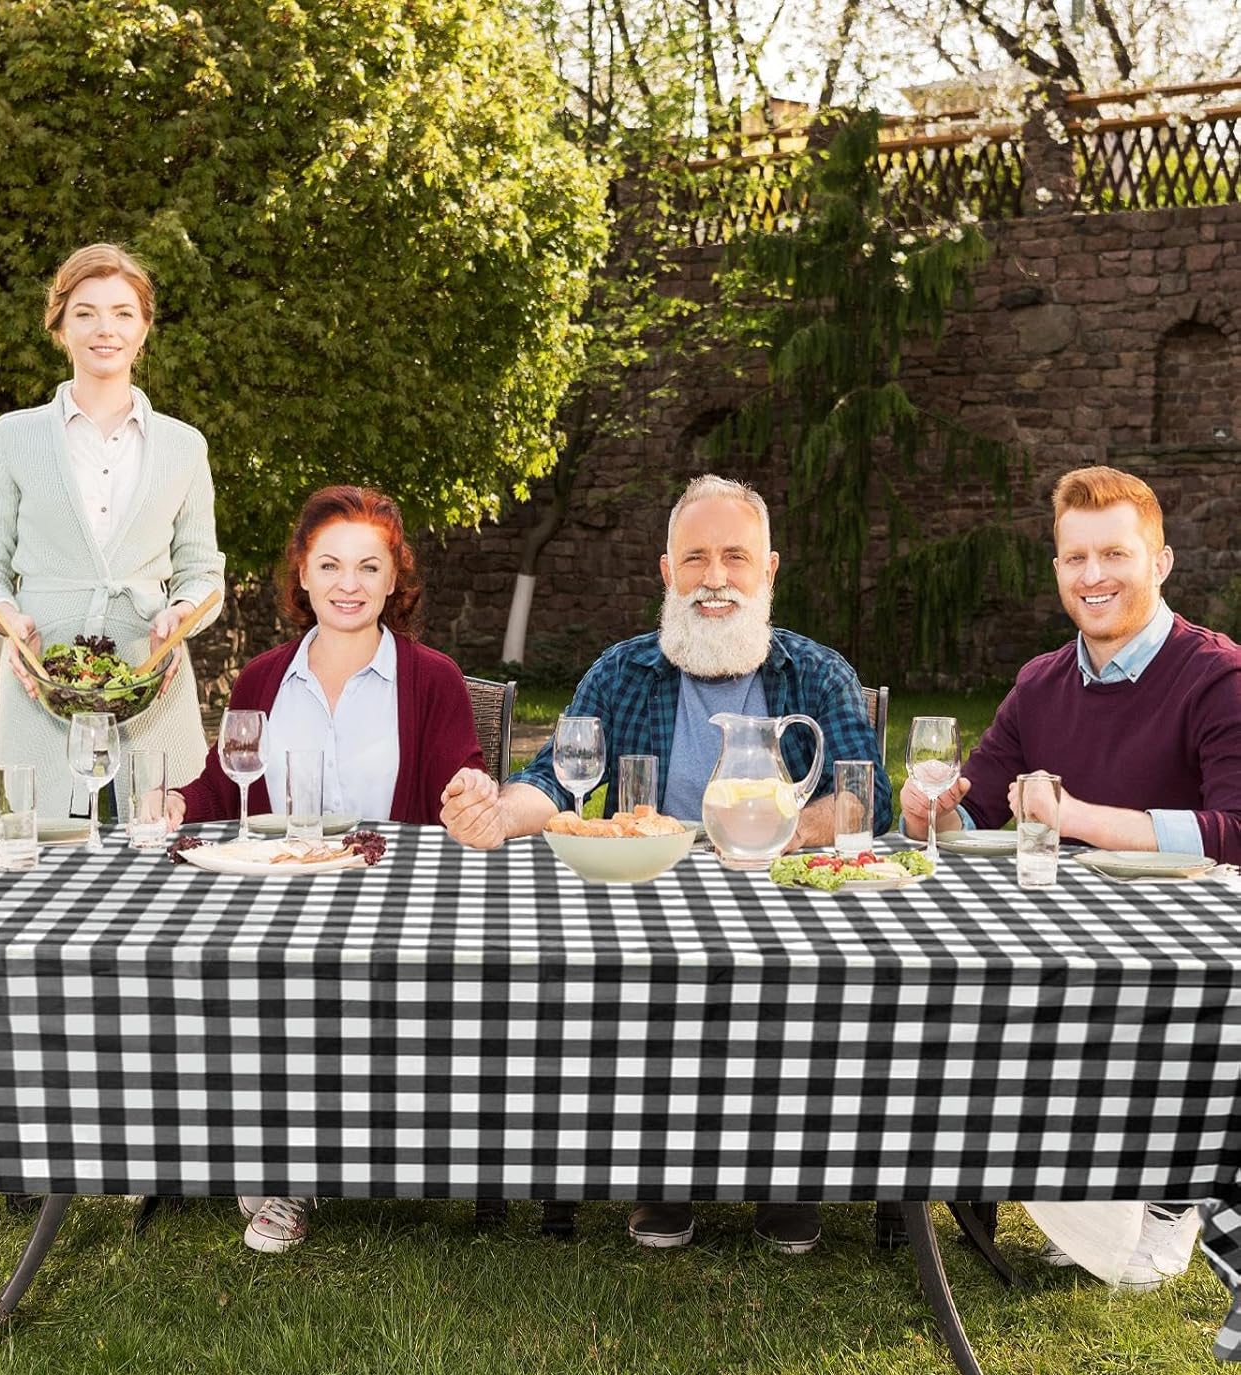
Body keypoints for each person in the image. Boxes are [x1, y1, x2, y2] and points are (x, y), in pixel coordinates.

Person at [441, 474, 891, 1254]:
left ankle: (785, 1177)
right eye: (695, 559)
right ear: (666, 572)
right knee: (627, 974)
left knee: (798, 986)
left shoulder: (815, 672)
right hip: (653, 903)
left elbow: (866, 797)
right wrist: (497, 813)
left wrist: (784, 830)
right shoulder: (623, 671)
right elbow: (555, 776)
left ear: (768, 571)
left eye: (735, 558)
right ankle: (663, 1172)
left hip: (780, 903)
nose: (715, 579)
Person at [902, 463, 1241, 1290]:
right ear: (1056, 568)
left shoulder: (1219, 675)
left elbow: (1236, 833)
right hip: (1070, 934)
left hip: (1188, 941)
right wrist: (929, 813)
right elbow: (975, 813)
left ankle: (1167, 1199)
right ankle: (1032, 1173)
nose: (1094, 576)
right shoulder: (1040, 682)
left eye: (1115, 554)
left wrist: (1078, 817)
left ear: (1160, 562)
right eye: (1076, 557)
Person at [167, 483, 486, 1251]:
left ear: (394, 578)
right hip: (280, 894)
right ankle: (278, 1158)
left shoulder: (432, 678)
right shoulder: (261, 678)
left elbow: (461, 774)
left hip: (392, 903)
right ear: (303, 574)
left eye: (369, 567)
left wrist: (471, 790)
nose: (350, 584)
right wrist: (177, 800)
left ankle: (295, 1170)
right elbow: (224, 784)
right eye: (331, 565)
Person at [0, 243, 225, 818]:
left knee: (161, 848)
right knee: (37, 853)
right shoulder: (13, 438)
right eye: (86, 313)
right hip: (40, 690)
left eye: (123, 313)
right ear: (60, 327)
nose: (106, 329)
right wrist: (9, 623)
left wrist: (182, 615)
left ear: (144, 328)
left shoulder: (184, 446)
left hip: (152, 686)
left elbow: (203, 571)